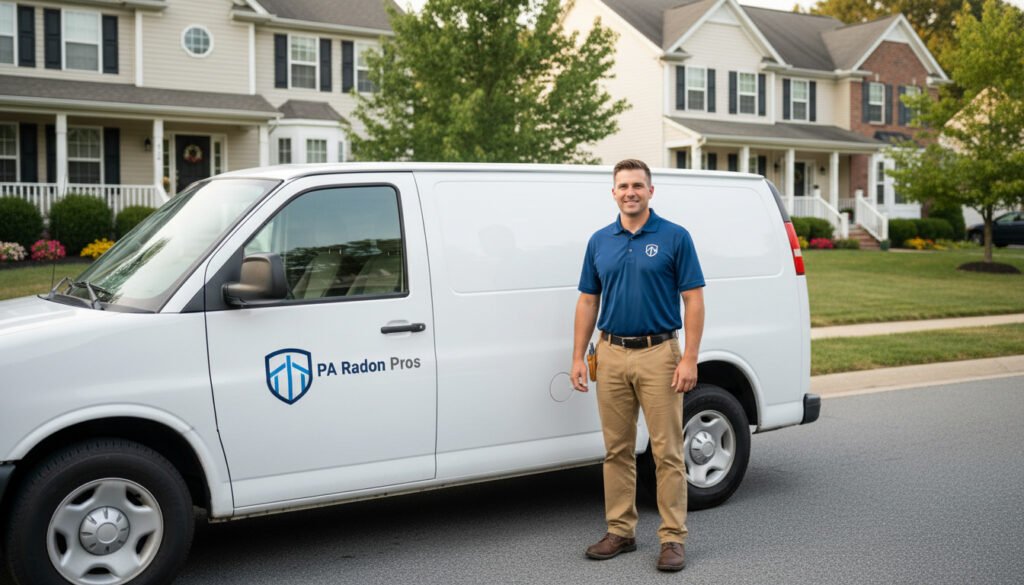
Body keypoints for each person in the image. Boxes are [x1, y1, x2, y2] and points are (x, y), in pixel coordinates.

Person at [571, 158, 705, 572]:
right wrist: (578, 356)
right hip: (610, 353)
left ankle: (672, 538)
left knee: (667, 451)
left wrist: (689, 357)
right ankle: (620, 531)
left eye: (637, 185)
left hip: (659, 353)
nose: (630, 192)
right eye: (623, 186)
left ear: (650, 191)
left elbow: (693, 300)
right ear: (613, 193)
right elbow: (588, 300)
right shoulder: (599, 241)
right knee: (617, 449)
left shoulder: (675, 237)